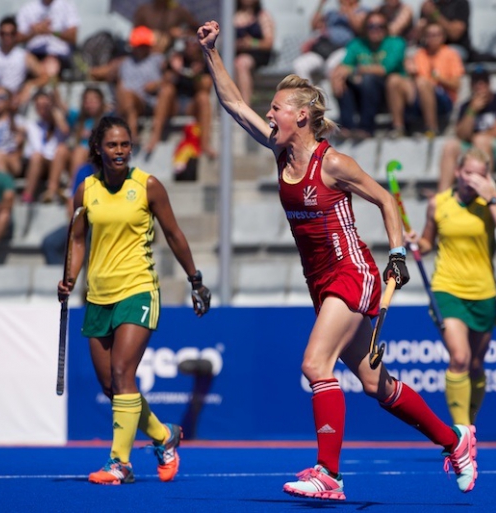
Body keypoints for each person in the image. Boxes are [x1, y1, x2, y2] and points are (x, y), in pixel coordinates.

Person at [198, 19, 477, 500]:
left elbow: (387, 201)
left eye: (277, 109)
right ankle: (457, 442)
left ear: (302, 117)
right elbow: (231, 102)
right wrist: (211, 52)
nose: (269, 116)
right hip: (321, 280)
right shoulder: (277, 150)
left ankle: (329, 473)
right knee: (375, 384)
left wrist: (395, 253)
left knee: (315, 365)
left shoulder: (333, 162)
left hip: (353, 272)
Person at [57, 116, 212, 485]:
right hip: (98, 296)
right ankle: (163, 436)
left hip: (138, 289)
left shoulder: (148, 186)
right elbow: (77, 240)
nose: (121, 151)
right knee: (111, 386)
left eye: (125, 144)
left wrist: (196, 280)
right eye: (113, 145)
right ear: (98, 148)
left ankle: (120, 464)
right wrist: (69, 278)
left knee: (123, 373)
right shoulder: (86, 190)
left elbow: (174, 234)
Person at [407, 148, 496, 426]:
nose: (472, 180)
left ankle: (470, 420)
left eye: (480, 175)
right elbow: (428, 242)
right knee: (459, 357)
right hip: (447, 289)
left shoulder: (491, 201)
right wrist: (415, 242)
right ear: (457, 172)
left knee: (476, 365)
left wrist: (491, 196)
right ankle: (461, 433)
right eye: (468, 173)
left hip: (483, 292)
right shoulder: (439, 203)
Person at [438, 67, 496, 192]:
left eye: (483, 82)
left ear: (489, 83)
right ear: (471, 85)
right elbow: (461, 135)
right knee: (450, 146)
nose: (480, 86)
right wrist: (472, 111)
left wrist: (476, 138)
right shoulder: (466, 106)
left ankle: (484, 192)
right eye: (476, 83)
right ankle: (442, 197)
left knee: (481, 141)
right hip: (479, 152)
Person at [331, 11, 406, 138]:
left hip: (389, 94)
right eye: (371, 26)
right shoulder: (357, 43)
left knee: (369, 79)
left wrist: (356, 70)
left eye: (380, 26)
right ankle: (347, 127)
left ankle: (366, 128)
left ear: (386, 28)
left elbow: (384, 69)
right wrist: (336, 76)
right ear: (365, 28)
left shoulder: (396, 43)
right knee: (342, 80)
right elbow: (344, 66)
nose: (375, 30)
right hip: (363, 92)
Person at [144, 29, 216, 158]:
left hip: (192, 105)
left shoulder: (204, 61)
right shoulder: (175, 59)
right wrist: (175, 71)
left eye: (193, 42)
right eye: (187, 41)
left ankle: (205, 143)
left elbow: (206, 87)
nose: (190, 45)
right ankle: (155, 137)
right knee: (167, 90)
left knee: (203, 98)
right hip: (174, 104)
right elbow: (164, 81)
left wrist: (196, 75)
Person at [386, 22, 464, 138]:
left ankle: (431, 128)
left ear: (443, 37)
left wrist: (438, 78)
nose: (433, 38)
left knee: (423, 82)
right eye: (429, 35)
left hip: (443, 98)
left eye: (436, 35)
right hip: (420, 95)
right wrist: (409, 73)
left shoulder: (451, 54)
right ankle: (398, 127)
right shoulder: (419, 54)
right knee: (394, 80)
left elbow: (456, 85)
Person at [293, 0, 369, 83]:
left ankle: (327, 95)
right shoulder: (332, 12)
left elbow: (359, 27)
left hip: (344, 49)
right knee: (300, 65)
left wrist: (348, 10)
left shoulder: (363, 10)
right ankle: (309, 95)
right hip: (324, 48)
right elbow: (314, 26)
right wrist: (321, 4)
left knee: (331, 66)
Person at [21, 89, 71, 203]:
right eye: (39, 105)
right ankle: (27, 195)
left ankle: (51, 190)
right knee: (36, 156)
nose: (42, 108)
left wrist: (53, 111)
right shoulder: (32, 125)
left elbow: (65, 130)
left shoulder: (60, 121)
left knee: (62, 149)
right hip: (41, 163)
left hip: (59, 161)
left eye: (45, 105)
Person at [16, 0, 80, 78]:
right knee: (25, 60)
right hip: (33, 54)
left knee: (51, 64)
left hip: (59, 55)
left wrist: (51, 32)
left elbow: (72, 37)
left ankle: (37, 83)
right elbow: (17, 38)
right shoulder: (28, 8)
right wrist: (33, 33)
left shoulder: (67, 6)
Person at [234, 0, 275, 107]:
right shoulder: (231, 17)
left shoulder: (262, 16)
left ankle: (244, 108)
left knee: (241, 63)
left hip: (258, 54)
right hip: (234, 54)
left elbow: (268, 43)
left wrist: (252, 43)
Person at [65, 86, 111, 178]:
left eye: (94, 101)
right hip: (79, 153)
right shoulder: (80, 118)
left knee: (79, 151)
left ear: (101, 102)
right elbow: (62, 109)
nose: (90, 104)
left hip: (96, 154)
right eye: (87, 101)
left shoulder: (106, 119)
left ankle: (74, 188)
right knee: (62, 150)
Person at [133, 0, 200, 54]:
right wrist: (151, 36)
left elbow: (197, 28)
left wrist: (182, 32)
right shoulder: (144, 10)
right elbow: (134, 35)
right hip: (146, 54)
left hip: (169, 54)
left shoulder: (178, 11)